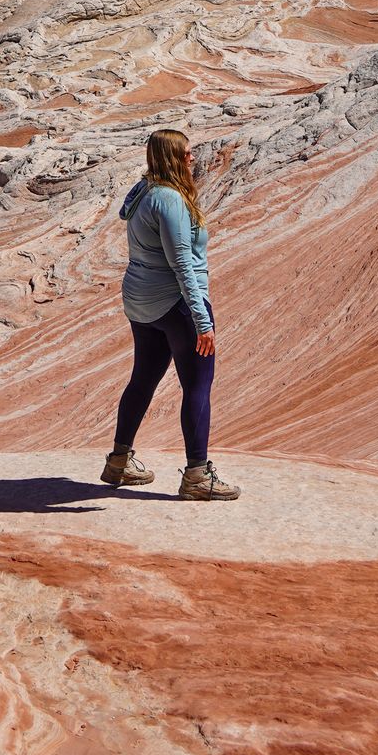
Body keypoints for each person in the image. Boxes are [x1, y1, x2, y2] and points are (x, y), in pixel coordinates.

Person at [102, 128, 240, 500]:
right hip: (173, 301)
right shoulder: (170, 200)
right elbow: (182, 265)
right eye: (187, 153)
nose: (192, 158)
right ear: (173, 158)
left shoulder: (143, 191)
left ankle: (119, 461)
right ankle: (197, 475)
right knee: (197, 385)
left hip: (140, 300)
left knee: (143, 378)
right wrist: (203, 321)